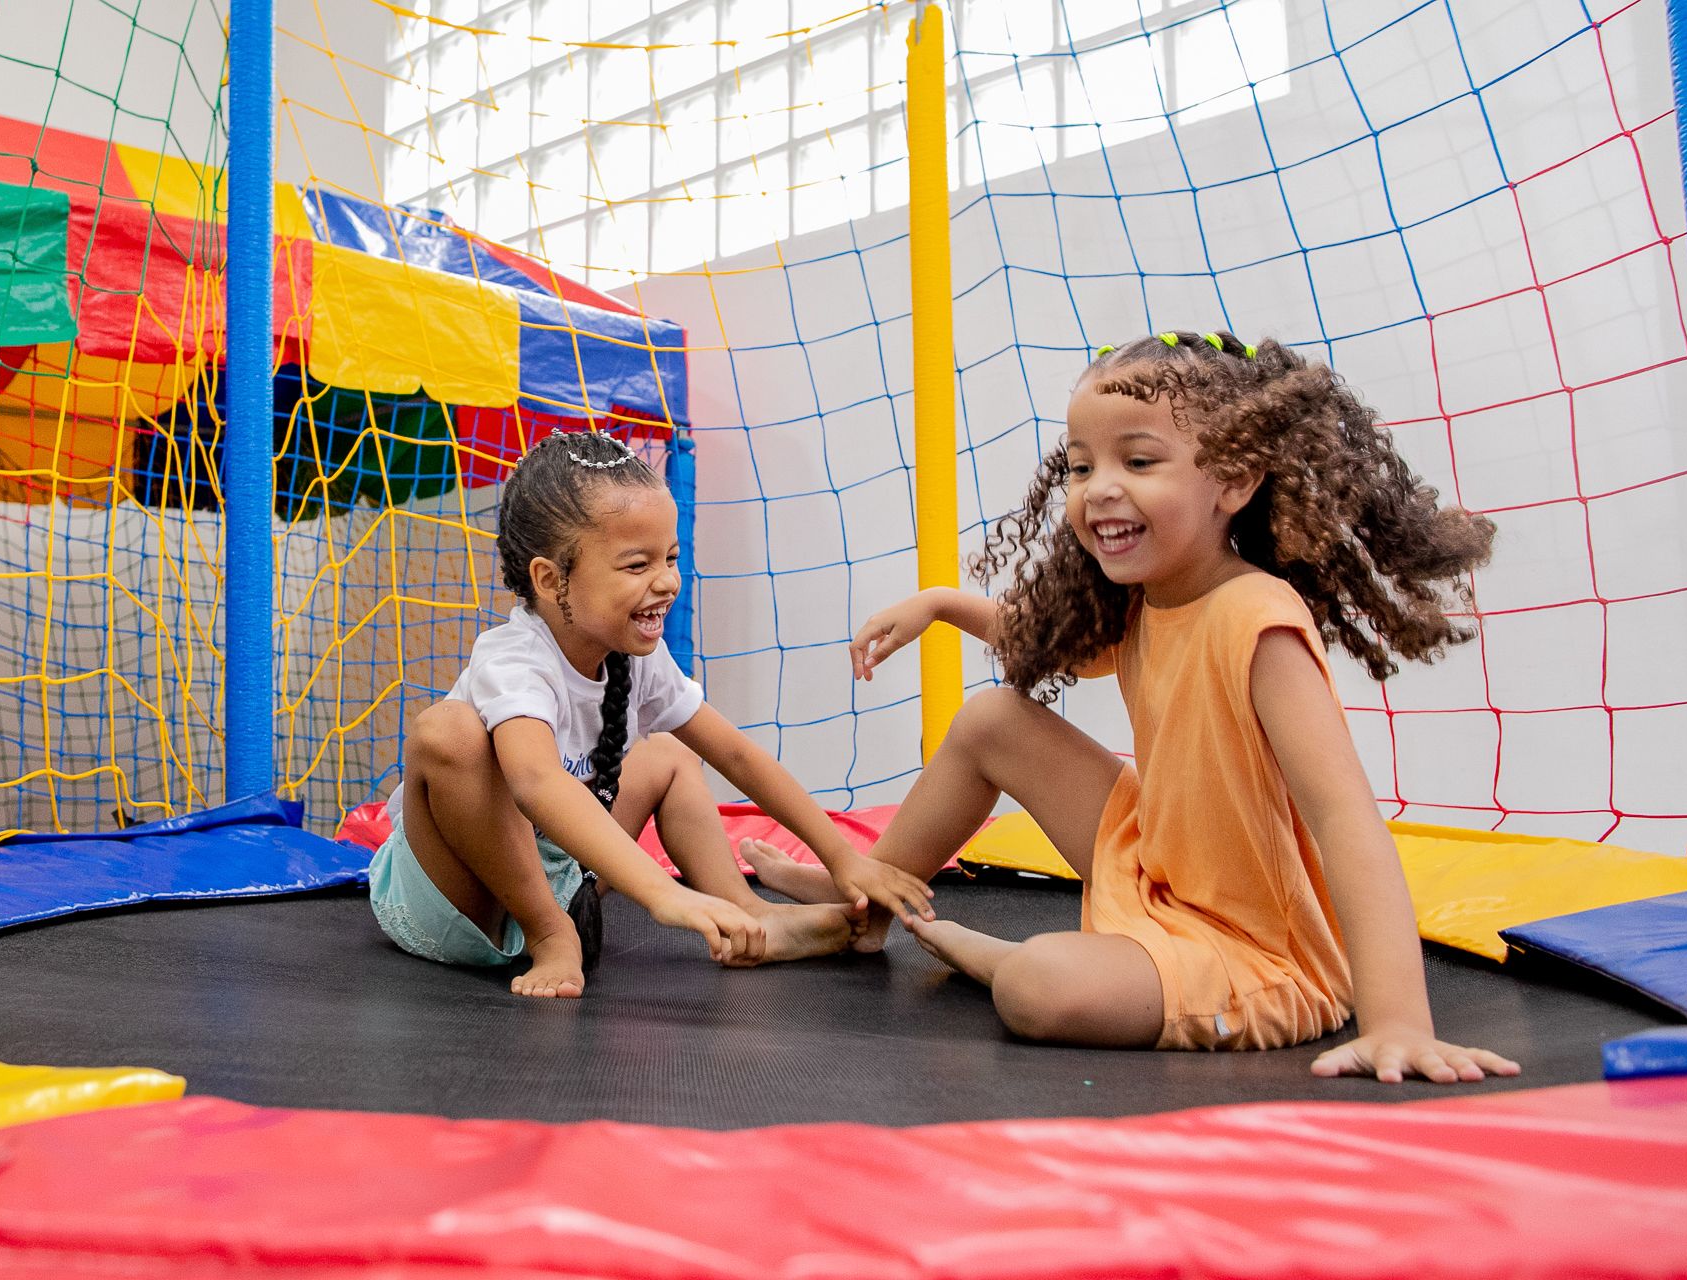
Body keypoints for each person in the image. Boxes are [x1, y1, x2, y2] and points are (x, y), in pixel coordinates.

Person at [751, 330, 1522, 1083]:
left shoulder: (1258, 618)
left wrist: (1398, 1022)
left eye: (1140, 460)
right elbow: (1048, 646)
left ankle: (969, 946)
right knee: (994, 721)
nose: (1100, 488)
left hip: (1255, 952)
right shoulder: (1153, 599)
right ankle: (869, 896)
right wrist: (945, 605)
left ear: (1236, 479)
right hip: (1159, 863)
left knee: (1040, 986)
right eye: (1081, 467)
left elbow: (1344, 818)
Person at [371, 429, 936, 998]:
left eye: (670, 557)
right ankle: (550, 935)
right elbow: (537, 782)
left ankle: (743, 914)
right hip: (457, 898)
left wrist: (841, 859)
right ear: (549, 579)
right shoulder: (514, 661)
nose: (666, 580)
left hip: (558, 874)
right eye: (637, 564)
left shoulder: (636, 658)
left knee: (667, 755)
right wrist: (662, 893)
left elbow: (735, 752)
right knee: (447, 732)